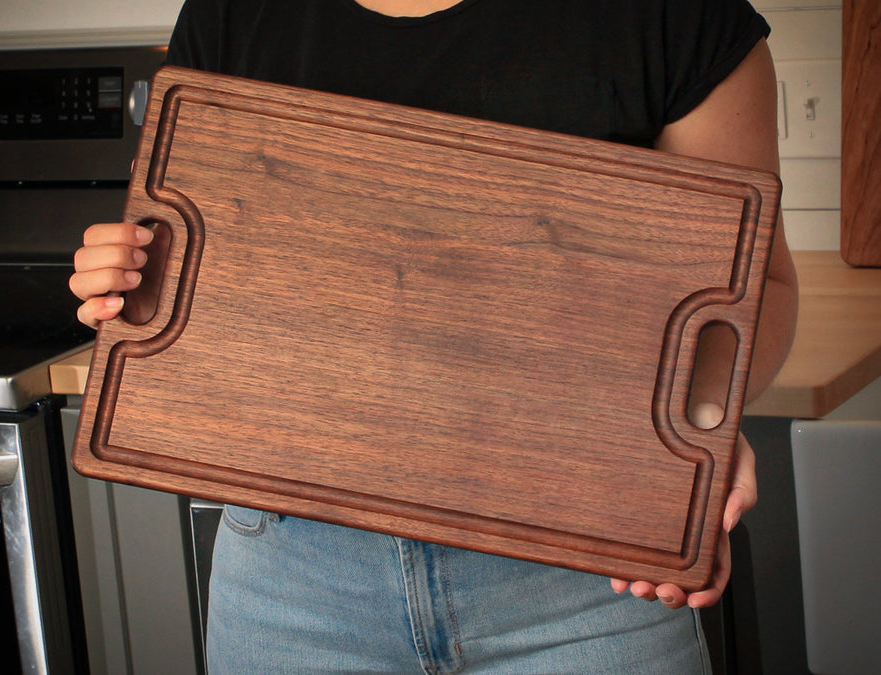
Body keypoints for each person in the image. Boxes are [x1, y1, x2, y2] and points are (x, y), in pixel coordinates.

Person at [70, 1, 798, 672]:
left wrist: (692, 430)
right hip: (291, 587)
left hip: (586, 590)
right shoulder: (237, 11)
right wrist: (125, 275)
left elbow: (755, 289)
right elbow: (194, 251)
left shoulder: (675, 14)